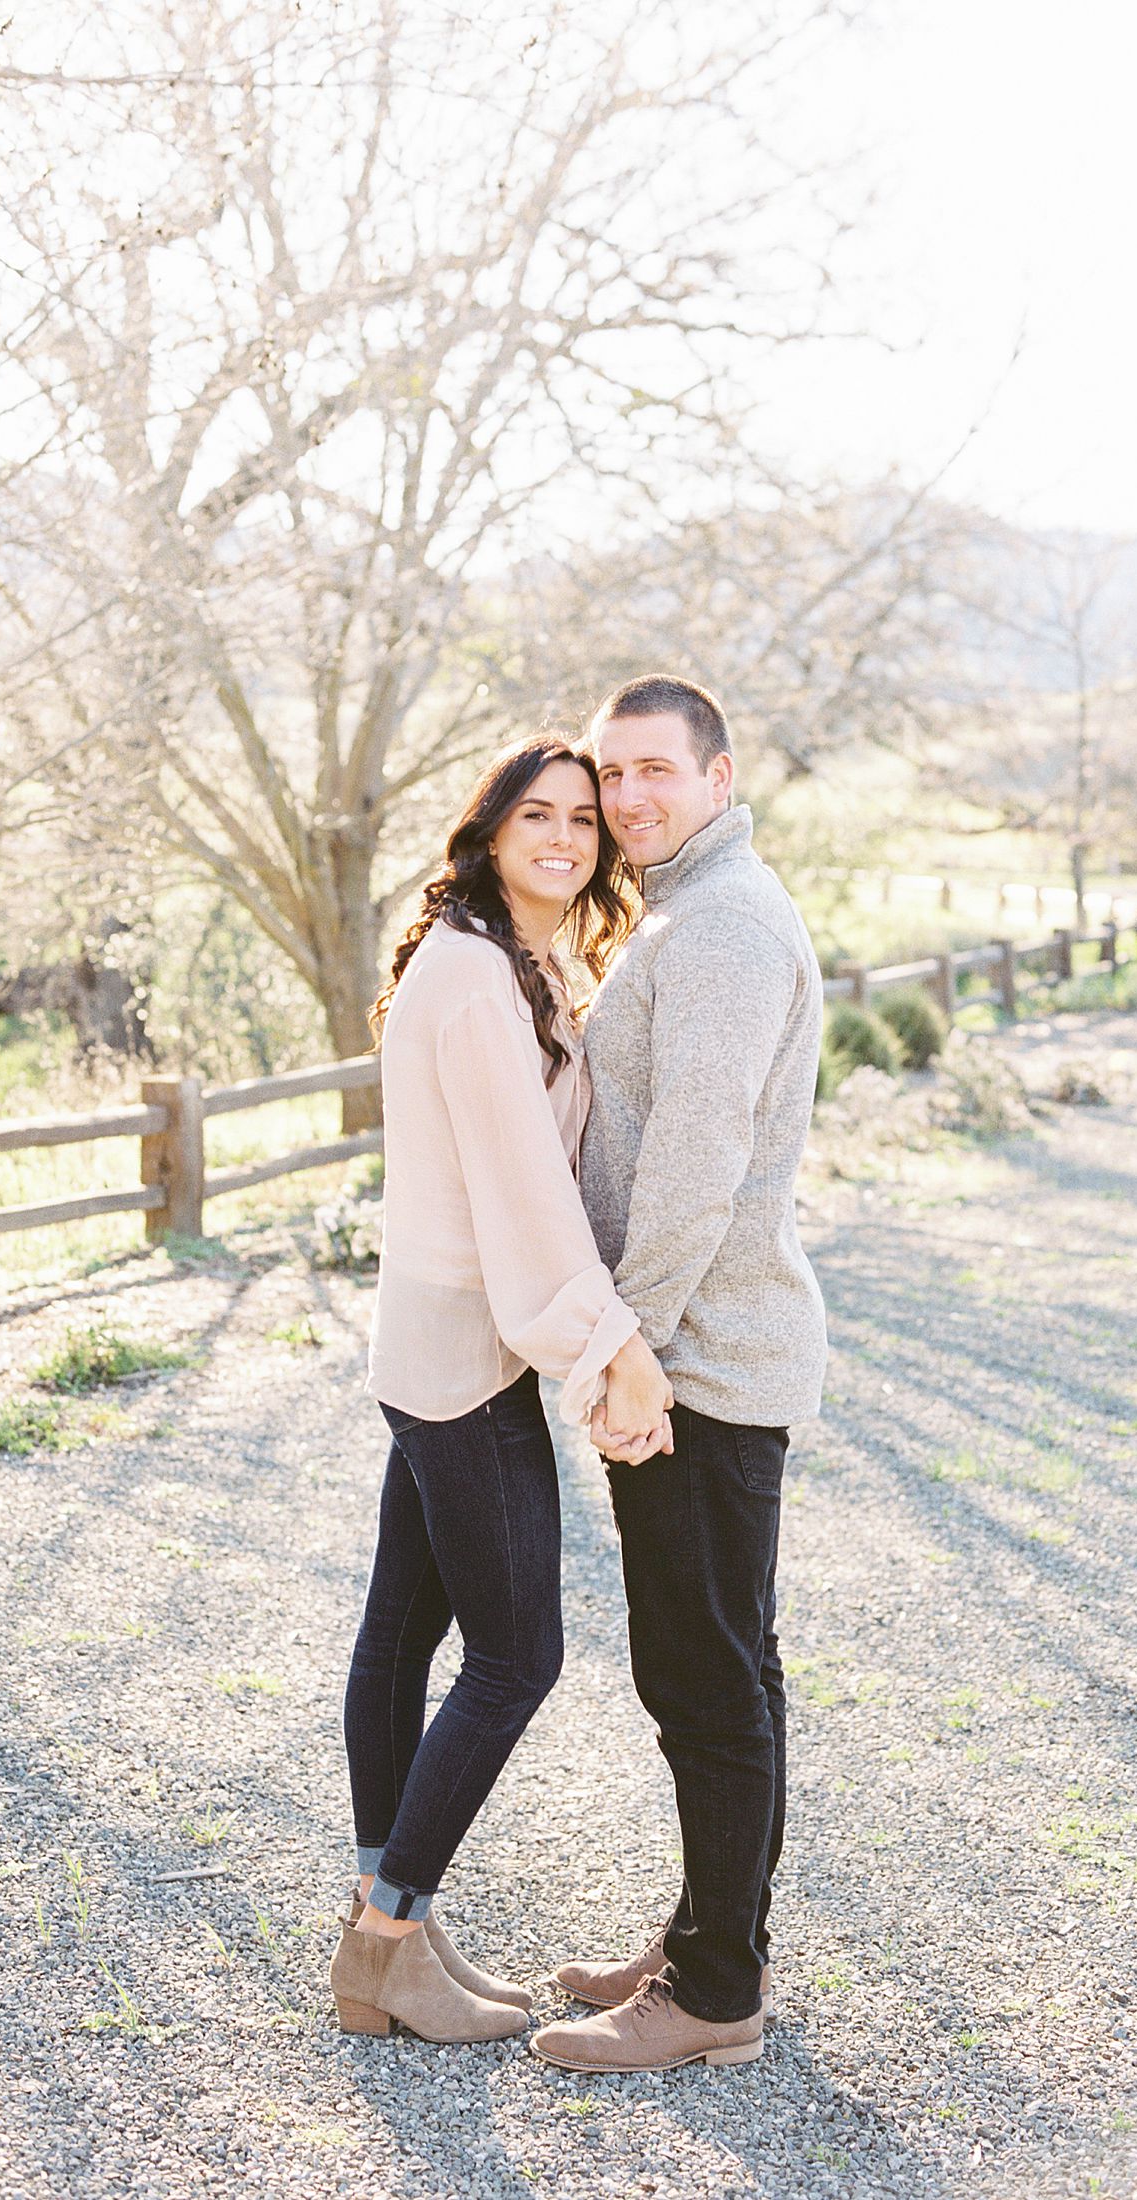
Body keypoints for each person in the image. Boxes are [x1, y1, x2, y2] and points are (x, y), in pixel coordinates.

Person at [330, 735, 674, 2046]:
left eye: (583, 819)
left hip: (433, 1342)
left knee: (403, 1632)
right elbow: (522, 1196)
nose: (568, 835)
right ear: (486, 833)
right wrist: (604, 1347)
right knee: (518, 1650)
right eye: (536, 814)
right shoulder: (475, 978)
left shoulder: (509, 961)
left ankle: (384, 1926)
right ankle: (389, 1944)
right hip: (462, 1354)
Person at [531, 674, 827, 2076]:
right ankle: (713, 1936)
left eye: (656, 771)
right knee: (730, 1669)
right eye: (612, 775)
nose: (629, 798)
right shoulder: (694, 911)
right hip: (698, 1353)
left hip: (693, 1364)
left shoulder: (719, 928)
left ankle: (714, 1994)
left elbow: (695, 1162)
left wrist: (621, 1346)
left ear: (718, 775)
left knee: (700, 1681)